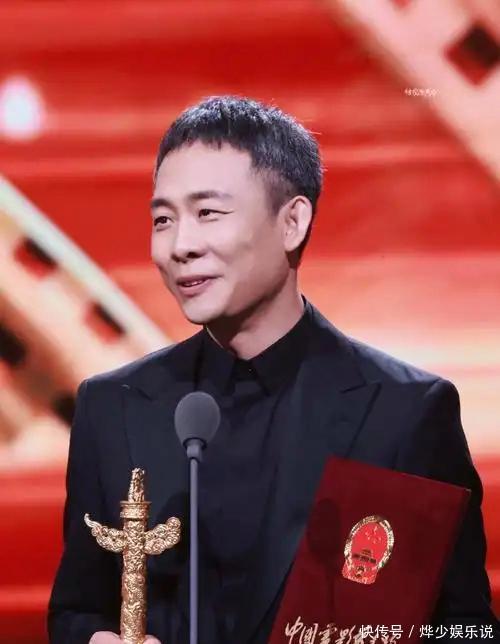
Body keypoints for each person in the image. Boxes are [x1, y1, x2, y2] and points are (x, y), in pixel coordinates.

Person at [48, 95, 500, 644]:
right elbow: (77, 610)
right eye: (163, 219)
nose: (180, 245)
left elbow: (466, 629)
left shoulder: (401, 414)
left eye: (208, 213)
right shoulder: (113, 406)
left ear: (292, 222)